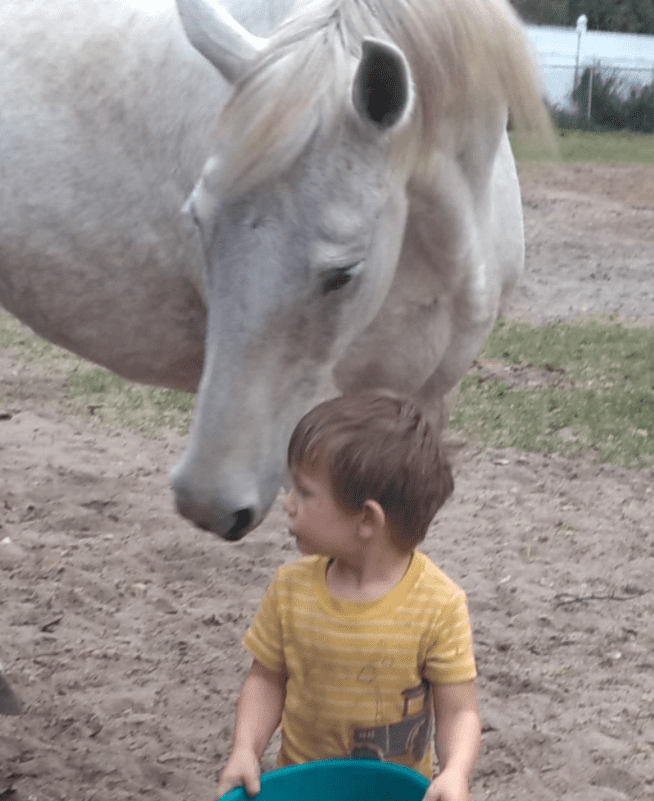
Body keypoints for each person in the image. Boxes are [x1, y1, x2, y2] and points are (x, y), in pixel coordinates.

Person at [215, 392, 481, 801]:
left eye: (304, 492)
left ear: (366, 520)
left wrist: (456, 772)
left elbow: (459, 710)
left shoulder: (438, 605)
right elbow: (265, 680)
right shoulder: (290, 590)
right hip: (303, 788)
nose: (288, 505)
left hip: (394, 792)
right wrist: (245, 749)